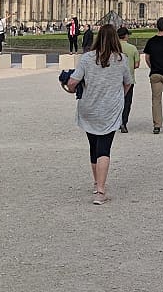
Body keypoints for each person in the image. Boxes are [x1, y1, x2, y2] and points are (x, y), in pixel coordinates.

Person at [66, 24, 132, 205]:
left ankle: (97, 183)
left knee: (93, 146)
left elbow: (73, 82)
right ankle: (101, 192)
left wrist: (69, 88)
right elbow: (128, 83)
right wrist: (119, 96)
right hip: (110, 109)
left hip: (89, 106)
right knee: (104, 148)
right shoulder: (121, 59)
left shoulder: (87, 58)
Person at [116, 27, 140, 133]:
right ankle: (123, 122)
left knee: (115, 101)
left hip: (115, 79)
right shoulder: (132, 48)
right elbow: (136, 65)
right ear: (126, 36)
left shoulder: (113, 47)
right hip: (129, 80)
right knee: (127, 102)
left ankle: (115, 122)